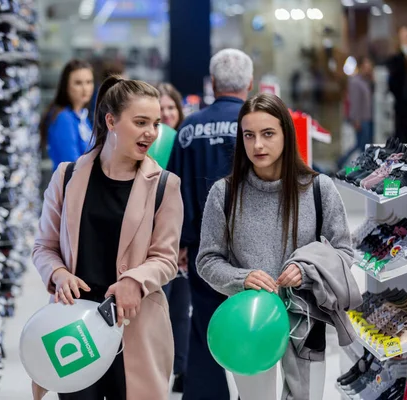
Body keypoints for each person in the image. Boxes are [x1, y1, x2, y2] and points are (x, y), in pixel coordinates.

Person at [32, 75, 184, 400]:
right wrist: (58, 274)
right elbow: (44, 247)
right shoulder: (67, 177)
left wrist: (135, 279)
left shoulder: (164, 185)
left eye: (155, 123)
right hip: (74, 329)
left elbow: (166, 258)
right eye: (140, 122)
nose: (151, 133)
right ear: (111, 120)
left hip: (134, 327)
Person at [196, 93, 355, 399]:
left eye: (268, 134)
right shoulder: (224, 194)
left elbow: (345, 253)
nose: (257, 145)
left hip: (305, 322)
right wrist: (242, 278)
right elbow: (207, 260)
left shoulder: (319, 189)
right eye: (249, 135)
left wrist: (306, 271)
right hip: (248, 323)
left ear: (286, 134)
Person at [166, 48, 253, 400]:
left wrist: (182, 243)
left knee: (204, 330)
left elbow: (175, 190)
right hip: (253, 251)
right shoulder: (256, 127)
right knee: (253, 326)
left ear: (212, 83)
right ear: (249, 83)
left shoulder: (188, 129)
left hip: (203, 251)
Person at [156, 82, 189, 393]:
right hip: (154, 242)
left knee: (181, 307)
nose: (166, 113)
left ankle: (182, 368)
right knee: (157, 307)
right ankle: (156, 368)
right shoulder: (146, 144)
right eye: (161, 108)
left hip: (182, 238)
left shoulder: (186, 144)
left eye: (170, 108)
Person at [40, 59, 94, 171]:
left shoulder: (81, 116)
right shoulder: (64, 118)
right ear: (66, 86)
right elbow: (72, 165)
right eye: (78, 83)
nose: (85, 88)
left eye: (89, 82)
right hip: (72, 185)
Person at [337, 56, 374, 169]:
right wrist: (356, 120)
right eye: (366, 66)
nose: (368, 69)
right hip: (361, 119)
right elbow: (355, 102)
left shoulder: (366, 81)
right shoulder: (355, 82)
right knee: (360, 145)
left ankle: (358, 165)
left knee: (361, 145)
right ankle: (342, 162)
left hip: (367, 118)